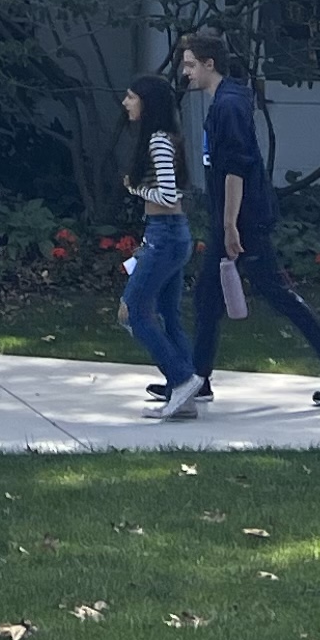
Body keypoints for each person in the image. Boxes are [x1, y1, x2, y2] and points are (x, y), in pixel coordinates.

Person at [176, 27, 320, 416]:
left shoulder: (228, 107)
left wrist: (231, 226)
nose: (186, 73)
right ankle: (197, 379)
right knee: (206, 298)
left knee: (276, 292)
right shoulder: (225, 100)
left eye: (190, 65)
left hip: (244, 220)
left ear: (209, 64)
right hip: (231, 218)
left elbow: (236, 171)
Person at [115, 74, 195, 412]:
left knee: (133, 311)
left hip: (164, 235)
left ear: (148, 104)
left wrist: (134, 188)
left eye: (131, 97)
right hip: (169, 234)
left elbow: (168, 193)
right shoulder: (165, 138)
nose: (126, 103)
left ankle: (181, 379)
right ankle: (188, 388)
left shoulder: (158, 142)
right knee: (167, 314)